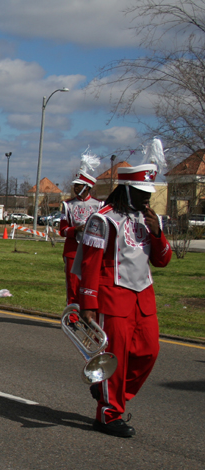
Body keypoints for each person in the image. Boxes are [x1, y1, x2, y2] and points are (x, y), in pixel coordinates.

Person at [77, 139, 172, 438]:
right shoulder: (102, 218)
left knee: (149, 352)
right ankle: (108, 412)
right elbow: (91, 264)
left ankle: (107, 389)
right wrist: (88, 303)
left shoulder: (149, 220)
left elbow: (163, 260)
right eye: (141, 194)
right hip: (112, 296)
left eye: (149, 194)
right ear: (128, 190)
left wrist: (158, 234)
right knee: (115, 357)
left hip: (143, 296)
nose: (146, 200)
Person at [60, 152, 102, 305]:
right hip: (72, 251)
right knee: (72, 285)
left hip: (92, 251)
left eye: (78, 185)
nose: (75, 188)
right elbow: (63, 230)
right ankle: (72, 316)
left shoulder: (99, 205)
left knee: (91, 285)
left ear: (86, 187)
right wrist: (76, 230)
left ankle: (89, 314)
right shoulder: (68, 205)